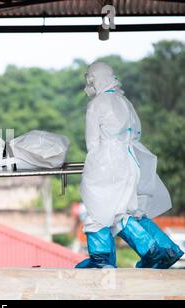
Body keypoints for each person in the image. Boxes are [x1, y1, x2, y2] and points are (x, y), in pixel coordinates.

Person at [76, 61, 183, 269]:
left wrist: (95, 167)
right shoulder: (124, 101)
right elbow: (136, 134)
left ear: (95, 79)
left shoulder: (97, 104)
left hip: (107, 163)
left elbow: (92, 142)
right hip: (130, 161)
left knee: (100, 211)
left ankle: (104, 261)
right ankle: (165, 249)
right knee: (126, 210)